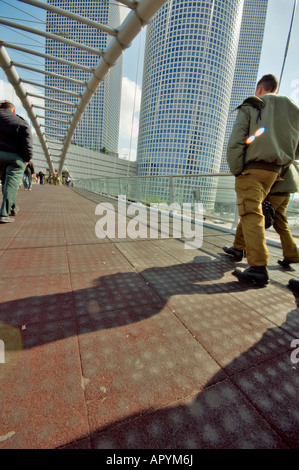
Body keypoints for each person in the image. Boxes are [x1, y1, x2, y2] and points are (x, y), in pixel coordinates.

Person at [224, 74, 299, 286]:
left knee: (250, 213)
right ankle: (241, 250)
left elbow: (237, 140)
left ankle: (258, 267)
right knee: (253, 213)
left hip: (253, 169)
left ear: (259, 89)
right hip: (275, 172)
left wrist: (237, 170)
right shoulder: (294, 109)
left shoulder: (254, 104)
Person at [223, 161, 299, 268]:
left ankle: (239, 248)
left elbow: (273, 173)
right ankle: (292, 255)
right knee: (281, 225)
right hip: (285, 195)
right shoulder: (292, 161)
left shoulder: (279, 157)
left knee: (249, 216)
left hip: (273, 193)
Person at [0, 100, 33, 222]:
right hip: (14, 158)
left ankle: (12, 207)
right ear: (13, 110)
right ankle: (4, 214)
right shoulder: (20, 121)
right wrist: (27, 159)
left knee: (5, 183)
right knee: (10, 184)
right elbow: (27, 142)